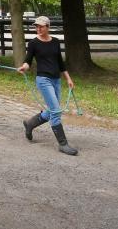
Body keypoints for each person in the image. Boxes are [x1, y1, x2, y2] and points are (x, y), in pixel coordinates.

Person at [17, 15, 79, 155]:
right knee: (56, 111)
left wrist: (68, 78)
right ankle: (63, 144)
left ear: (48, 27)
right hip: (43, 80)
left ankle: (30, 123)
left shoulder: (55, 42)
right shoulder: (33, 43)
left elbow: (60, 62)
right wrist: (24, 67)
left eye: (41, 26)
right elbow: (28, 61)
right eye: (36, 26)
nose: (38, 28)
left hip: (56, 80)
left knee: (52, 110)